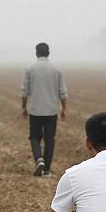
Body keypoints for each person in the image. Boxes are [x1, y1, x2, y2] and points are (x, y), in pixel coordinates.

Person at [21, 43, 68, 177]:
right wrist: (64, 108)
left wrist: (24, 107)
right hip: (51, 110)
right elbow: (62, 92)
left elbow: (24, 91)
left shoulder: (30, 69)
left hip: (35, 110)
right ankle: (46, 169)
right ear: (48, 53)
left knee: (35, 137)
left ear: (36, 53)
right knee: (50, 139)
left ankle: (38, 159)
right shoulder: (57, 70)